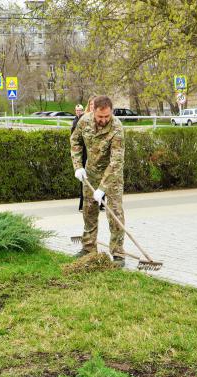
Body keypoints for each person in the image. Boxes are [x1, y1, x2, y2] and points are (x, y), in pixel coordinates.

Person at [69, 95, 126, 265]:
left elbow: (117, 161)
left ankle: (118, 253)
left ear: (111, 112)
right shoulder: (84, 121)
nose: (103, 120)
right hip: (91, 173)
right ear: (93, 111)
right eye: (100, 116)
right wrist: (78, 166)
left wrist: (103, 188)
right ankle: (88, 248)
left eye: (107, 116)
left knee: (115, 213)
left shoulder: (117, 127)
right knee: (89, 211)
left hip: (112, 176)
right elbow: (75, 141)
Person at [70, 104, 86, 212]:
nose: (78, 112)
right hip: (79, 152)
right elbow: (74, 139)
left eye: (80, 110)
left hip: (85, 152)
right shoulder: (75, 120)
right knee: (82, 180)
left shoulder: (83, 120)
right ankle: (82, 205)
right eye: (76, 110)